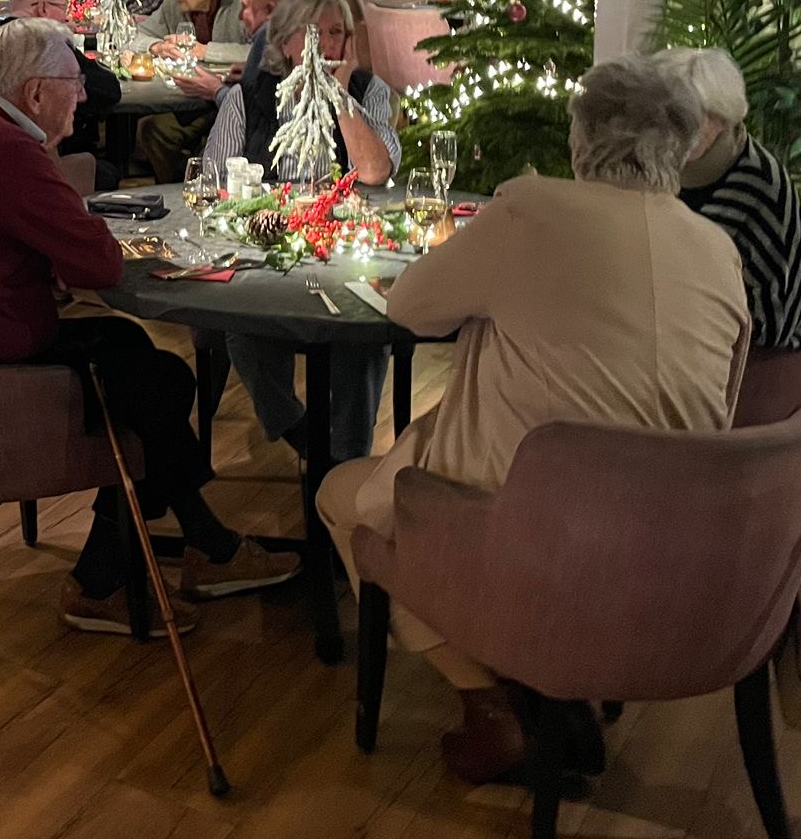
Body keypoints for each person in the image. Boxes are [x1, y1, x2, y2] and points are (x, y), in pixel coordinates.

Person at [317, 54, 749, 784]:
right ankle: (545, 691)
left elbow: (410, 307)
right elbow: (725, 402)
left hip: (533, 537)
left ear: (579, 141)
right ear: (682, 147)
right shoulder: (717, 250)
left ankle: (493, 702)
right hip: (672, 549)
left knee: (343, 497)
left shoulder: (530, 214)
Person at [0, 18, 298, 631]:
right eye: (73, 82)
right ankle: (105, 581)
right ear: (34, 93)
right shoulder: (5, 149)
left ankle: (205, 546)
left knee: (136, 355)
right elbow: (99, 264)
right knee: (159, 386)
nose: (83, 94)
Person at [200, 0, 400, 460]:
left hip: (348, 252)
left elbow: (375, 172)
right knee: (242, 327)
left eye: (338, 33)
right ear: (286, 42)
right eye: (316, 34)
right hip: (268, 253)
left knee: (365, 331)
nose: (328, 45)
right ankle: (299, 430)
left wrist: (341, 94)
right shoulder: (247, 99)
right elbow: (212, 186)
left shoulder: (369, 92)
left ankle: (348, 456)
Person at [659, 46, 801, 350]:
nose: (669, 128)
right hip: (675, 318)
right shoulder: (667, 160)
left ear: (720, 118)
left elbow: (774, 317)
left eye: (685, 116)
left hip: (745, 339)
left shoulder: (758, 185)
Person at [0, 0, 120, 181]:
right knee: (108, 173)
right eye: (63, 8)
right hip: (31, 164)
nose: (67, 17)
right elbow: (109, 91)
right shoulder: (46, 39)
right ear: (43, 8)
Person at [133, 0, 250, 184]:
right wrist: (157, 46)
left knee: (213, 143)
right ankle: (178, 186)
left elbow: (258, 51)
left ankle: (201, 185)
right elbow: (137, 35)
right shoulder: (174, 5)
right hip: (189, 101)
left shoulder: (242, 4)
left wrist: (205, 51)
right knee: (151, 130)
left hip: (235, 101)